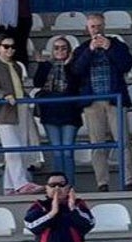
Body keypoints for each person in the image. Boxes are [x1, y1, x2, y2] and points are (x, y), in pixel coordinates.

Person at [70, 13, 132, 192]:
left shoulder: (116, 44)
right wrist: (89, 51)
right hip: (92, 103)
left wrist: (109, 48)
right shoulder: (82, 48)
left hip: (115, 100)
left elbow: (126, 65)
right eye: (93, 27)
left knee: (123, 142)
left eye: (99, 26)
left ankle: (128, 180)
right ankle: (102, 183)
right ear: (87, 29)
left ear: (104, 26)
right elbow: (76, 71)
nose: (96, 30)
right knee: (97, 144)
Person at [0, 35, 42, 196]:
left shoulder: (15, 66)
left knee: (19, 146)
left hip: (19, 107)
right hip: (4, 110)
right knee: (12, 147)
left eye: (12, 47)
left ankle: (10, 185)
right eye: (6, 46)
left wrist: (24, 96)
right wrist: (3, 96)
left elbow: (18, 86)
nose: (10, 50)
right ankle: (21, 183)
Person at [33, 37, 82, 187]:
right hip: (50, 114)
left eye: (63, 48)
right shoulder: (47, 66)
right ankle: (58, 188)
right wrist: (41, 65)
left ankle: (69, 187)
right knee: (57, 153)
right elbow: (38, 82)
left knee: (67, 152)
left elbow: (75, 84)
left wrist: (67, 66)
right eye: (56, 48)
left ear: (69, 51)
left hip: (70, 114)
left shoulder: (75, 66)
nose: (60, 51)